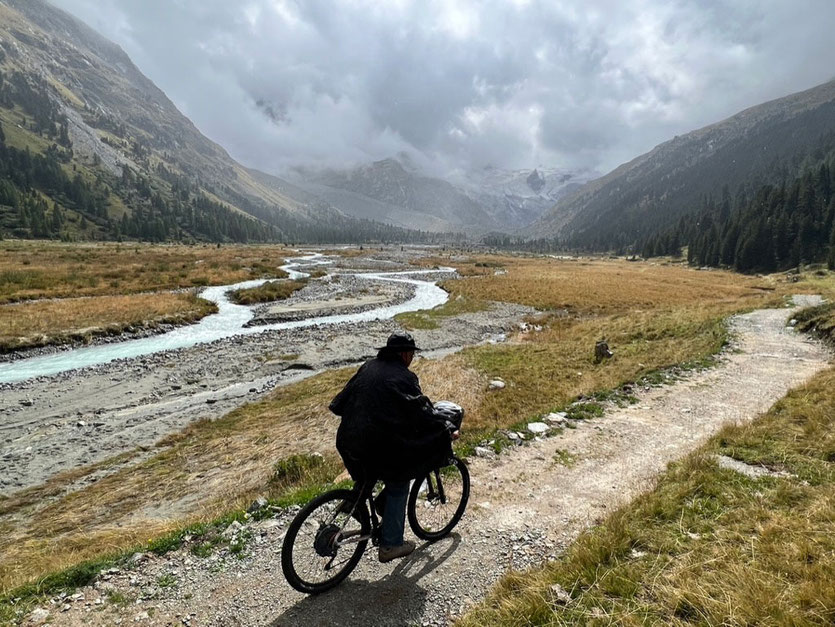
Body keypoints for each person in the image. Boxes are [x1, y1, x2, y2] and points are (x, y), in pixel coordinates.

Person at [329, 331, 457, 563]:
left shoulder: (368, 367)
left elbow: (339, 404)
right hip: (373, 446)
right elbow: (421, 410)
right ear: (405, 354)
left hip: (347, 440)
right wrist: (446, 426)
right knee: (399, 481)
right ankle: (390, 545)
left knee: (369, 470)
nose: (412, 358)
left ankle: (356, 501)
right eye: (412, 354)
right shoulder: (404, 377)